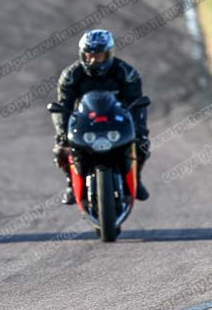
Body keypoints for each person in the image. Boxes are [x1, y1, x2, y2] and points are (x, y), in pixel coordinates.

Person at [52, 29, 150, 204]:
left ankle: (137, 179)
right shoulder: (70, 76)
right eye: (88, 56)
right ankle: (70, 184)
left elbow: (137, 103)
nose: (92, 60)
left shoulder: (126, 73)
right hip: (85, 122)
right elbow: (62, 107)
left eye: (98, 56)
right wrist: (62, 135)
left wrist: (139, 130)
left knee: (142, 144)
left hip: (117, 121)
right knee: (61, 149)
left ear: (109, 54)